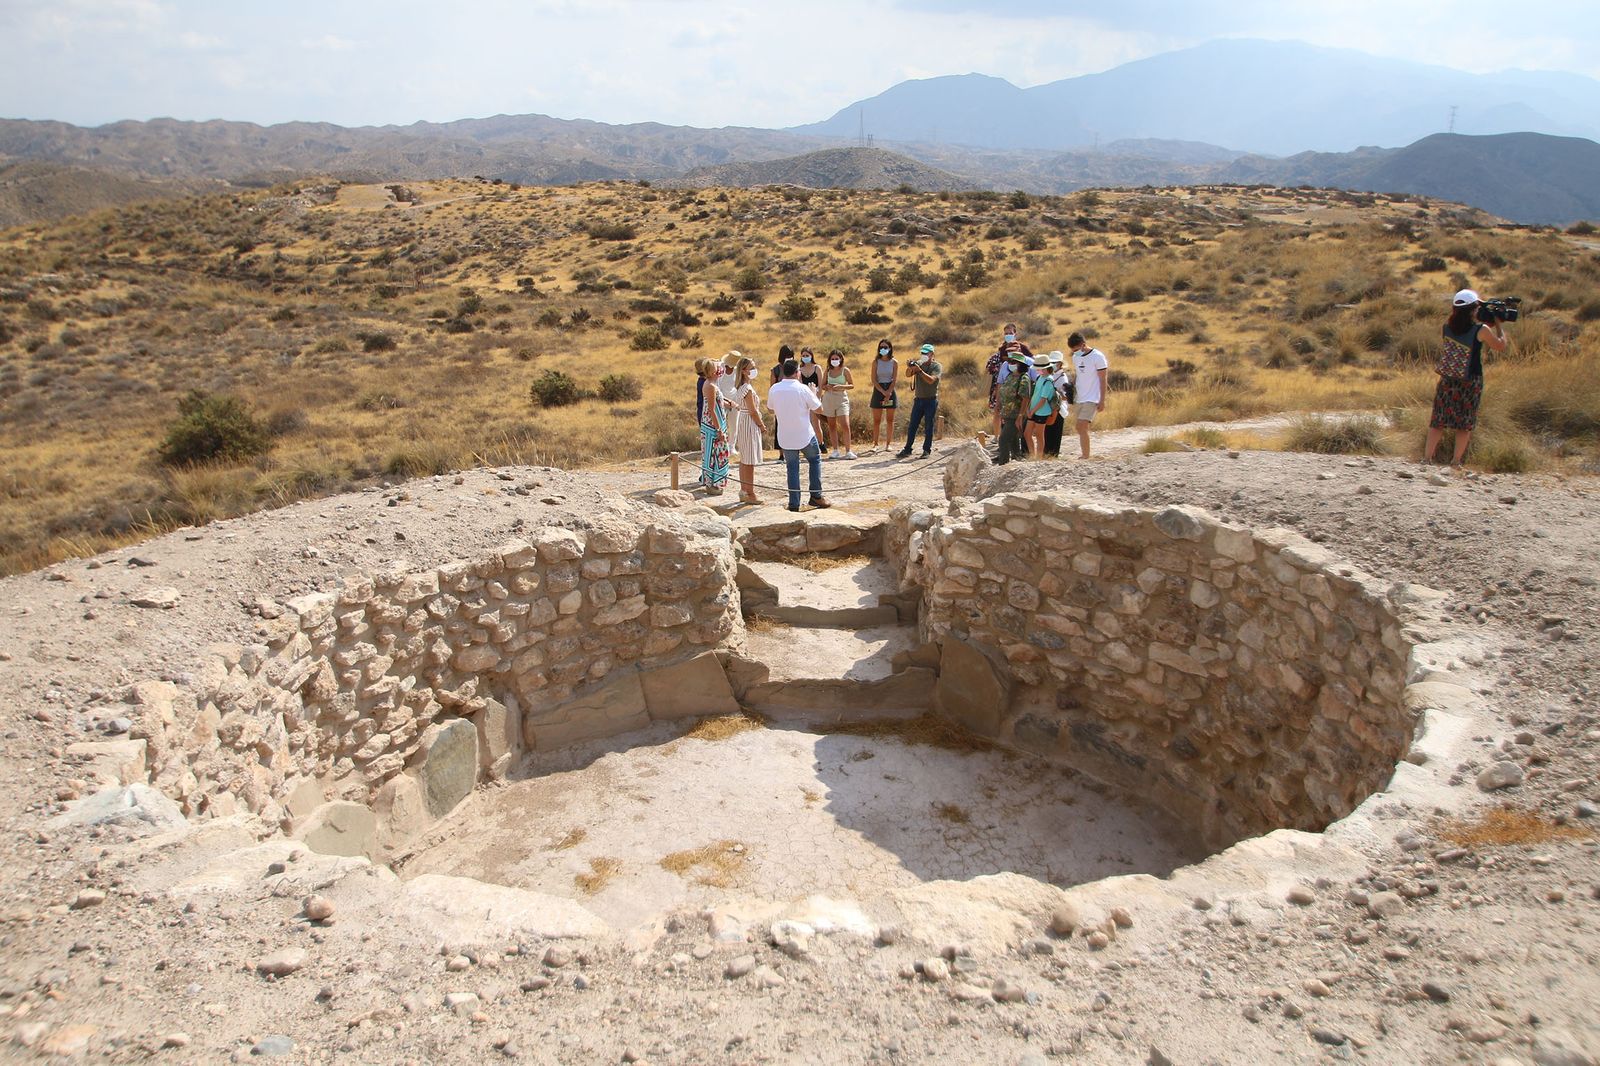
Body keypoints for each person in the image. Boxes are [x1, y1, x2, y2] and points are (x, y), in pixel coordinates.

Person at [1424, 288, 1509, 468]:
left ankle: (1427, 458)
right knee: (1464, 422)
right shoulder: (1482, 329)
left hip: (1448, 379)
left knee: (1438, 420)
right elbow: (1500, 346)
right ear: (1474, 309)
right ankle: (1456, 461)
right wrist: (1499, 325)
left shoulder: (1446, 328)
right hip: (1471, 380)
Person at [766, 358, 831, 512]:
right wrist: (814, 394)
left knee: (792, 468)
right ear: (797, 373)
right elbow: (819, 409)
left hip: (785, 436)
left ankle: (794, 503)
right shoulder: (803, 389)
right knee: (814, 461)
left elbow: (770, 409)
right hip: (804, 435)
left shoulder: (774, 389)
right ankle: (816, 496)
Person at [988, 322, 1034, 440]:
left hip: (1021, 389)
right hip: (1006, 387)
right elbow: (1000, 379)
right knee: (1001, 412)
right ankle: (998, 437)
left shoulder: (1025, 352)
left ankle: (1021, 439)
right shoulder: (1003, 351)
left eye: (1010, 333)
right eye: (1006, 333)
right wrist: (997, 394)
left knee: (1020, 414)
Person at [896, 343, 942, 459]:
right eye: (922, 353)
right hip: (918, 400)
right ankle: (907, 449)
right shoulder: (919, 364)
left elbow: (931, 380)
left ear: (932, 354)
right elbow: (907, 375)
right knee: (912, 425)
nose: (924, 355)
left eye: (926, 353)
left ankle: (926, 450)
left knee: (928, 425)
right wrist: (911, 367)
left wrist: (919, 371)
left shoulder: (937, 366)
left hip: (931, 400)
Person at [1068, 332, 1109, 459]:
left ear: (1083, 345)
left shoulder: (1098, 357)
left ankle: (1086, 456)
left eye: (1076, 349)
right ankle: (1085, 454)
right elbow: (1080, 375)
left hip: (1092, 397)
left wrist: (1102, 400)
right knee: (1079, 427)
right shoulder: (1076, 357)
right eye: (1073, 351)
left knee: (1082, 425)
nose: (1075, 352)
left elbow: (1103, 379)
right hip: (1080, 396)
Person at [731, 355, 766, 504]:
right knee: (749, 460)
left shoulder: (741, 387)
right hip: (749, 423)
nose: (754, 370)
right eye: (751, 368)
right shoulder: (747, 389)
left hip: (743, 422)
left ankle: (744, 490)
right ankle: (750, 493)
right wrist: (761, 425)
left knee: (745, 459)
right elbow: (752, 410)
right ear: (744, 371)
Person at [696, 357, 730, 495]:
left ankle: (717, 482)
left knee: (718, 453)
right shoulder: (709, 386)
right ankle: (711, 484)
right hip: (712, 426)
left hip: (717, 423)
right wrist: (718, 429)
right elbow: (711, 408)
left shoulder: (712, 384)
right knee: (712, 453)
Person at [992, 349, 1032, 465]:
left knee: (1003, 439)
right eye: (1010, 361)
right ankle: (1016, 462)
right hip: (1007, 414)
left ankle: (1003, 464)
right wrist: (999, 404)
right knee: (1013, 441)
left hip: (1015, 415)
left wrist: (1020, 415)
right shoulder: (1010, 376)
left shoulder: (1024, 378)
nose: (1011, 364)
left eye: (1014, 362)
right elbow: (1003, 391)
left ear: (1021, 364)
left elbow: (1025, 397)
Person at [819, 349, 857, 459]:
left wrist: (840, 387)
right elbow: (823, 385)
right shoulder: (827, 371)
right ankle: (835, 450)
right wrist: (828, 387)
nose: (834, 360)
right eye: (832, 359)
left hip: (842, 399)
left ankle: (848, 450)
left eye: (836, 359)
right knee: (832, 425)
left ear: (841, 359)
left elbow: (851, 385)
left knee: (845, 424)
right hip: (829, 399)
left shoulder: (845, 370)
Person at [1023, 353, 1061, 460]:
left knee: (1039, 435)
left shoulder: (1048, 380)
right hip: (1034, 410)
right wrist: (1030, 409)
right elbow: (1035, 395)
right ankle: (1032, 455)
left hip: (1042, 412)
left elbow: (1043, 400)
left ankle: (1038, 457)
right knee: (1027, 433)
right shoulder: (1040, 377)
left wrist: (1032, 410)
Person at [869, 339, 899, 452]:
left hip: (890, 390)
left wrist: (889, 392)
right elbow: (874, 379)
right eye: (881, 347)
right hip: (878, 390)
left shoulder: (894, 362)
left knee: (890, 420)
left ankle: (888, 444)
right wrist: (883, 392)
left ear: (890, 348)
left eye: (885, 347)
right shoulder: (876, 362)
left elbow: (895, 379)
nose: (883, 349)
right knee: (877, 420)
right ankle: (875, 444)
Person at [1042, 351, 1072, 458]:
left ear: (1060, 363)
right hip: (1049, 409)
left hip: (1058, 410)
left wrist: (1054, 392)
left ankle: (1053, 456)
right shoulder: (1051, 375)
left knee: (1055, 434)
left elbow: (1065, 396)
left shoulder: (1063, 378)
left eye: (1054, 362)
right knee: (1047, 433)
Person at [797, 346, 826, 448]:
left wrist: (817, 398)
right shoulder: (800, 370)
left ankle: (820, 443)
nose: (805, 357)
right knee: (806, 422)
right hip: (805, 399)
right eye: (803, 356)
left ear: (811, 356)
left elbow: (821, 384)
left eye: (807, 355)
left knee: (815, 423)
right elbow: (800, 385)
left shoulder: (817, 368)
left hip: (816, 397)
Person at [768, 344, 793, 450]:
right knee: (780, 426)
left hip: (792, 400)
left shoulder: (795, 368)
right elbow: (772, 387)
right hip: (781, 402)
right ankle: (781, 453)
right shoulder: (776, 370)